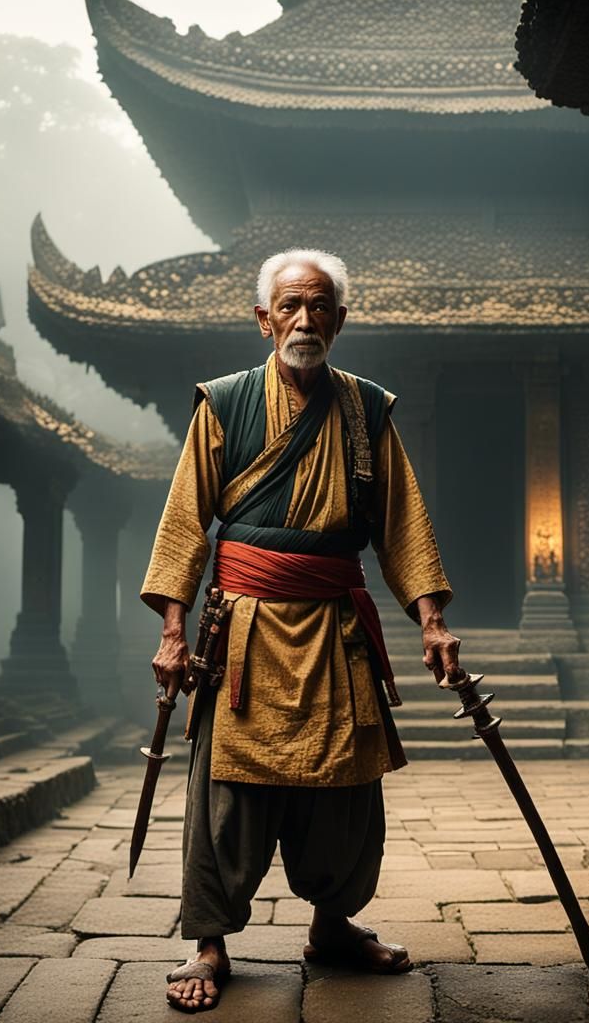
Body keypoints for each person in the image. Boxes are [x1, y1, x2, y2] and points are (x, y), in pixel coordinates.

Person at [141, 248, 462, 1013]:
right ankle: (211, 941)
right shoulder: (223, 404)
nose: (305, 320)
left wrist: (433, 621)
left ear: (340, 320)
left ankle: (332, 925)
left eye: (320, 306)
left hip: (337, 632)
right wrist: (173, 632)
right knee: (227, 793)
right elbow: (186, 522)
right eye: (289, 306)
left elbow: (401, 525)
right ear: (263, 319)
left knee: (345, 790)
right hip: (243, 631)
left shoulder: (366, 411)